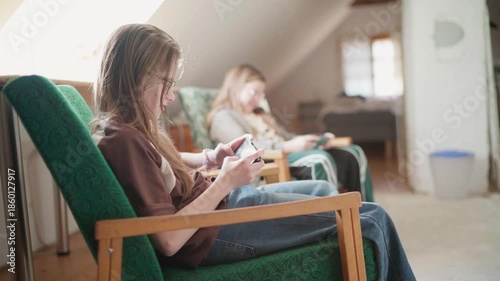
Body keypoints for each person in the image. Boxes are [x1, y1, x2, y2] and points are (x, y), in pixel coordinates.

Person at [92, 23, 415, 280]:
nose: (172, 95)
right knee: (371, 217)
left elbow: (160, 165)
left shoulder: (131, 129)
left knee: (327, 193)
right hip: (215, 230)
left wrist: (210, 158)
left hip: (222, 210)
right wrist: (225, 182)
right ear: (138, 79)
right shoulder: (124, 141)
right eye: (167, 82)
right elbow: (169, 240)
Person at [207, 64, 374, 201]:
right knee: (320, 160)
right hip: (273, 159)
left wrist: (314, 139)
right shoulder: (223, 116)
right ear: (236, 88)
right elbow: (247, 149)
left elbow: (287, 136)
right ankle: (332, 222)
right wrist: (288, 146)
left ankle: (364, 212)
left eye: (261, 95)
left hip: (286, 151)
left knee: (353, 153)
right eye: (253, 93)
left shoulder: (259, 114)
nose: (257, 99)